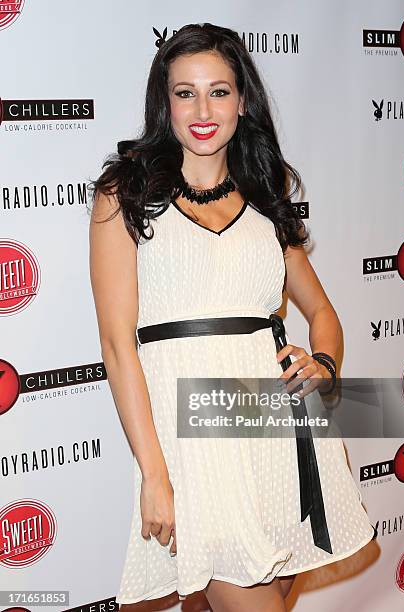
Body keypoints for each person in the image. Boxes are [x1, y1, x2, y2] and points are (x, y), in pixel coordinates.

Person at [89, 22, 375, 612]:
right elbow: (118, 345)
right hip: (191, 443)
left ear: (242, 101)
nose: (202, 109)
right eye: (184, 92)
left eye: (218, 91)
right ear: (163, 102)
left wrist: (322, 363)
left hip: (277, 428)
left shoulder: (265, 196)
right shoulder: (125, 195)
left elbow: (323, 312)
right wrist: (155, 474)